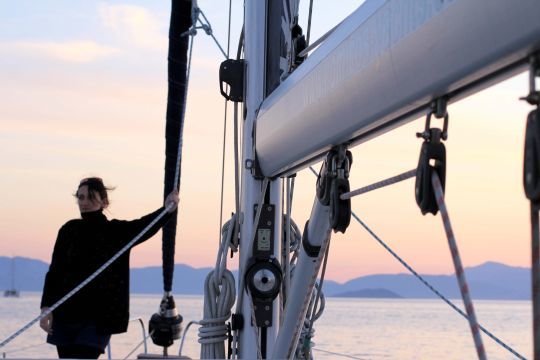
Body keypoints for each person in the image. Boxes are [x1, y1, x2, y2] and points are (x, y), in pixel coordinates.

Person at [39, 177, 179, 359]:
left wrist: (167, 209)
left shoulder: (116, 232)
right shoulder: (68, 230)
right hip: (65, 315)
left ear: (104, 201)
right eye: (80, 198)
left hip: (98, 319)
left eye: (90, 197)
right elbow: (55, 271)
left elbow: (145, 225)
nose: (84, 202)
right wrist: (45, 308)